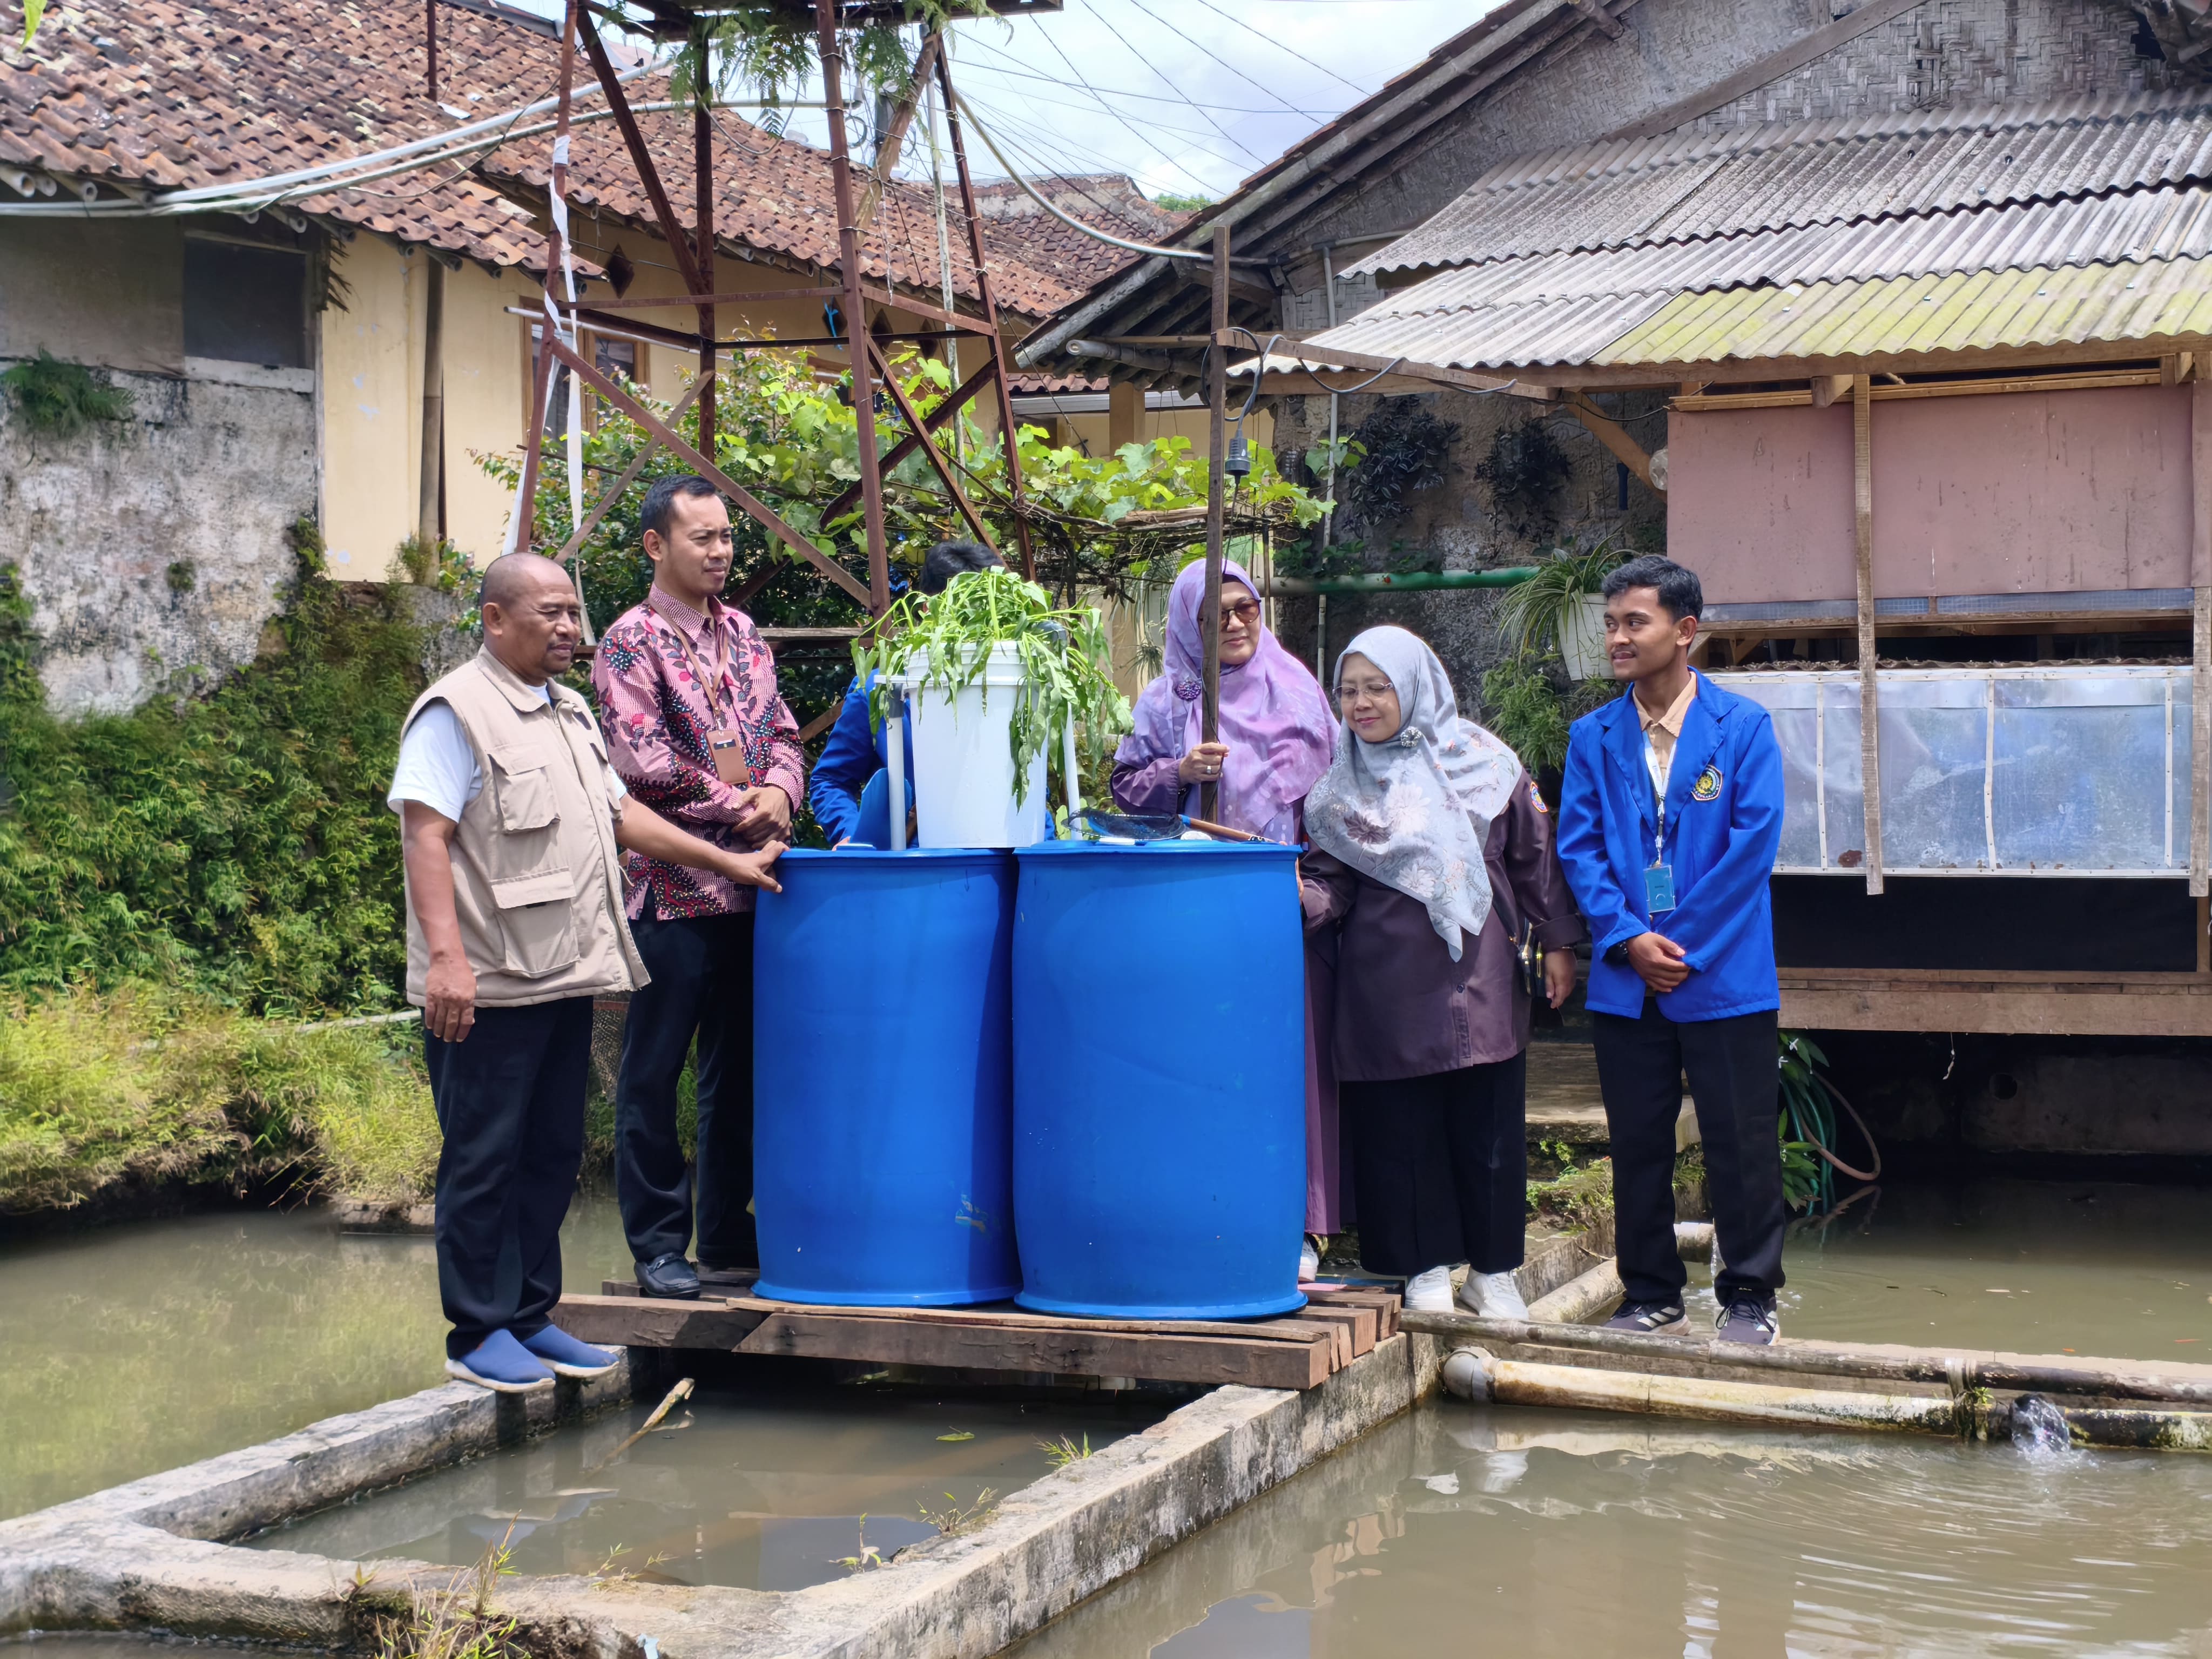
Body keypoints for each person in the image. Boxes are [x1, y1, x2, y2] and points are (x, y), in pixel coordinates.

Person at [391, 551, 786, 1391]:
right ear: (496, 619)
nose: (570, 628)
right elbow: (426, 836)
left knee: (551, 1152)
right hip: (487, 982)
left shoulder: (567, 711)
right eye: (551, 613)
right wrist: (447, 962)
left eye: (574, 613)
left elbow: (623, 815)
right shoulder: (455, 712)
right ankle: (477, 1332)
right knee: (483, 1157)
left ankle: (532, 1317)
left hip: (563, 972)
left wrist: (726, 861)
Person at [1299, 626, 1582, 1317]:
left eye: (1378, 687)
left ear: (1416, 686)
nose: (1361, 704)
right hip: (1387, 985)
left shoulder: (1488, 764)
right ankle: (1422, 1269)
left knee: (1490, 1129)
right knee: (1401, 1130)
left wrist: (1557, 943)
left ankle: (1493, 1271)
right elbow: (1332, 886)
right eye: (1349, 691)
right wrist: (1292, 897)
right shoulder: (1338, 791)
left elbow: (1534, 860)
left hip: (1481, 978)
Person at [1555, 555, 1788, 1345]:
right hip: (1629, 980)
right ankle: (1651, 1292)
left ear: (1685, 631)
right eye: (1610, 624)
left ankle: (1749, 1296)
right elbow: (1580, 848)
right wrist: (1627, 938)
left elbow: (1752, 849)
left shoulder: (1743, 728)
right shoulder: (1593, 737)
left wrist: (1677, 946)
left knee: (1740, 1142)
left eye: (1635, 622)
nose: (1617, 639)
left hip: (1722, 974)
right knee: (1638, 1143)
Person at [591, 476, 807, 1300]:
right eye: (702, 538)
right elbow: (640, 766)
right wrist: (740, 809)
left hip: (754, 888)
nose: (720, 552)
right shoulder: (629, 642)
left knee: (739, 1070)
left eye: (726, 537)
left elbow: (782, 733)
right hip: (672, 890)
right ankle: (658, 1245)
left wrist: (779, 792)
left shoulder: (745, 634)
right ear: (657, 545)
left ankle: (723, 1231)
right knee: (653, 1074)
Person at [1112, 557, 1340, 1276]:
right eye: (1216, 616)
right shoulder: (1168, 702)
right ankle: (1207, 1207)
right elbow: (1123, 792)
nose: (1237, 624)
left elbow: (1339, 800)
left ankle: (1302, 1225)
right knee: (1204, 1058)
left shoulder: (1297, 688)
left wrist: (1318, 887)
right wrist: (1178, 773)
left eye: (1247, 609)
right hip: (1195, 911)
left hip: (1286, 907)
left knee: (1292, 1060)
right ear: (1190, 625)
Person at [810, 539, 1003, 846]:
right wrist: (852, 836)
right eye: (967, 610)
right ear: (928, 609)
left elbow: (1028, 789)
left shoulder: (1012, 688)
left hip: (999, 859)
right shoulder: (880, 690)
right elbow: (831, 780)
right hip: (912, 862)